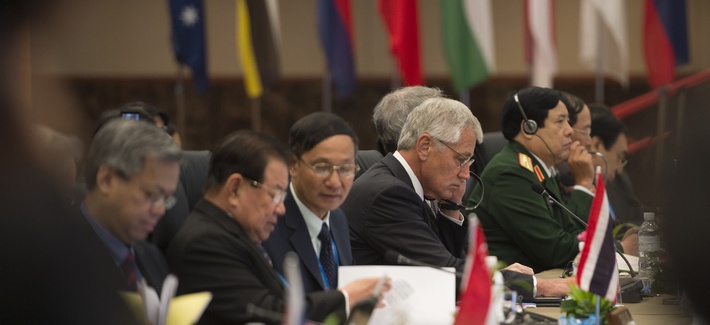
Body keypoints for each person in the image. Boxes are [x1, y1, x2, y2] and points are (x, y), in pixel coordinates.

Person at [166, 130, 386, 325]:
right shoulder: (206, 244)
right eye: (275, 194)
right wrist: (346, 297)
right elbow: (267, 311)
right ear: (234, 189)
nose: (281, 209)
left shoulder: (233, 235)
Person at [467, 87, 594, 273]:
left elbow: (572, 231)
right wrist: (617, 248)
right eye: (560, 122)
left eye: (568, 121)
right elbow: (556, 251)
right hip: (512, 293)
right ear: (529, 128)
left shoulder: (538, 169)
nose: (569, 131)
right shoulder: (511, 174)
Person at [80, 119, 182, 292]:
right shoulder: (53, 259)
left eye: (166, 198)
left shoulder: (152, 257)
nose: (160, 210)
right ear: (107, 180)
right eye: (152, 195)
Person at [263, 112, 357, 294]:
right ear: (293, 165)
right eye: (322, 168)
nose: (335, 182)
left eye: (345, 169)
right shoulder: (269, 223)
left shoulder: (338, 218)